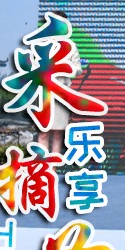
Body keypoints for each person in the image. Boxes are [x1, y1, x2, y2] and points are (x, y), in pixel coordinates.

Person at [37, 10, 80, 158]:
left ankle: (52, 169)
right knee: (43, 132)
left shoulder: (71, 47)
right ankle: (42, 170)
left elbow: (78, 69)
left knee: (57, 133)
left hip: (62, 94)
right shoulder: (42, 44)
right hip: (44, 93)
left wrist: (65, 68)